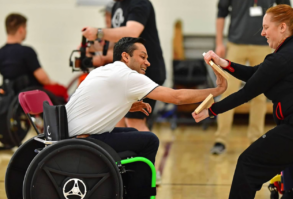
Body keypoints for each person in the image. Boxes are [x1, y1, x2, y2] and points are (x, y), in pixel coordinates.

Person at [66, 37, 227, 199]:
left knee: (131, 131)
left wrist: (127, 105)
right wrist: (217, 90)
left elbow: (97, 104)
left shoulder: (104, 70)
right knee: (149, 140)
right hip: (84, 141)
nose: (147, 62)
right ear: (126, 57)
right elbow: (177, 97)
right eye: (142, 57)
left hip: (72, 135)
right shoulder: (127, 76)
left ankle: (125, 188)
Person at [193, 5, 293, 199]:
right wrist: (224, 63)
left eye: (266, 27)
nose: (262, 33)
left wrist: (211, 111)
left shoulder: (283, 57)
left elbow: (246, 93)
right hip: (292, 126)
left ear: (282, 27)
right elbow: (256, 74)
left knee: (248, 163)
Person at [212, 0, 291, 155]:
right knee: (227, 90)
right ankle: (221, 139)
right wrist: (219, 42)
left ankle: (256, 140)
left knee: (260, 96)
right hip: (236, 44)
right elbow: (221, 13)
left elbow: (287, 12)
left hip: (264, 45)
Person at [82, 0, 166, 132]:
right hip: (128, 73)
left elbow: (132, 33)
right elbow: (119, 40)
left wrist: (99, 32)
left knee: (134, 121)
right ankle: (121, 153)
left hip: (146, 70)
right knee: (117, 119)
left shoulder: (140, 3)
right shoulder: (117, 5)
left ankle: (146, 152)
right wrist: (91, 48)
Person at [0, 13, 67, 104]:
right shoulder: (26, 51)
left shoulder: (1, 52)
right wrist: (54, 83)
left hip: (10, 98)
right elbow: (43, 79)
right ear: (21, 30)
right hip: (30, 97)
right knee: (61, 90)